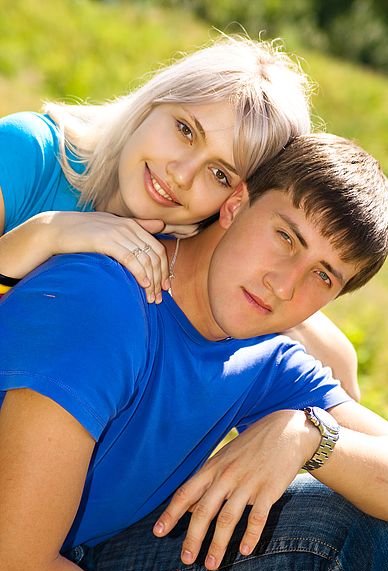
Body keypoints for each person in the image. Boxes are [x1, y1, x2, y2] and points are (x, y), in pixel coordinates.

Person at [0, 133, 388, 571]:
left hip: (88, 556)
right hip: (19, 566)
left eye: (322, 275)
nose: (286, 286)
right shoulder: (103, 298)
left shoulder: (262, 355)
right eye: (286, 237)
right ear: (235, 205)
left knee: (374, 527)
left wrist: (308, 435)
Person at [0, 35, 360, 400]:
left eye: (220, 174)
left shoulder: (188, 258)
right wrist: (47, 233)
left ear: (238, 202)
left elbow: (342, 369)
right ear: (155, 101)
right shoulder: (28, 153)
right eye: (185, 130)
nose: (181, 174)